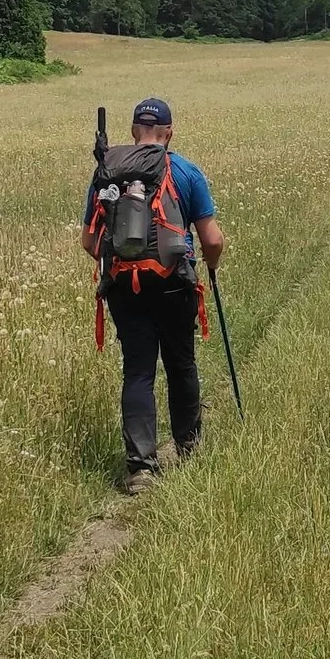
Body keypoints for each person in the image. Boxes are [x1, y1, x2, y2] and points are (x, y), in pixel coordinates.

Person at [81, 97, 225, 494]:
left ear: (132, 132)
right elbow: (211, 238)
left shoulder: (107, 172)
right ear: (170, 132)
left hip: (124, 286)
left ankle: (141, 467)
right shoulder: (184, 170)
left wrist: (122, 261)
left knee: (139, 370)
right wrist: (209, 264)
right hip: (175, 281)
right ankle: (189, 449)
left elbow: (90, 240)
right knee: (181, 363)